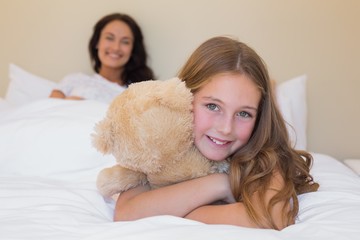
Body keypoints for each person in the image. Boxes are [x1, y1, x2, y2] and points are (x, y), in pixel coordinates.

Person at [113, 36, 319, 230]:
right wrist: (221, 184)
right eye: (213, 106)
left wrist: (180, 210)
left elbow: (271, 216)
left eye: (244, 113)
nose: (226, 128)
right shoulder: (157, 143)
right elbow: (126, 213)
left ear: (259, 118)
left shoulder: (263, 157)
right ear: (185, 97)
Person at [49, 13, 154, 103]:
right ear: (97, 42)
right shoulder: (74, 80)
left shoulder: (138, 95)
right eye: (109, 38)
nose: (116, 47)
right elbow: (48, 112)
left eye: (125, 42)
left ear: (133, 50)